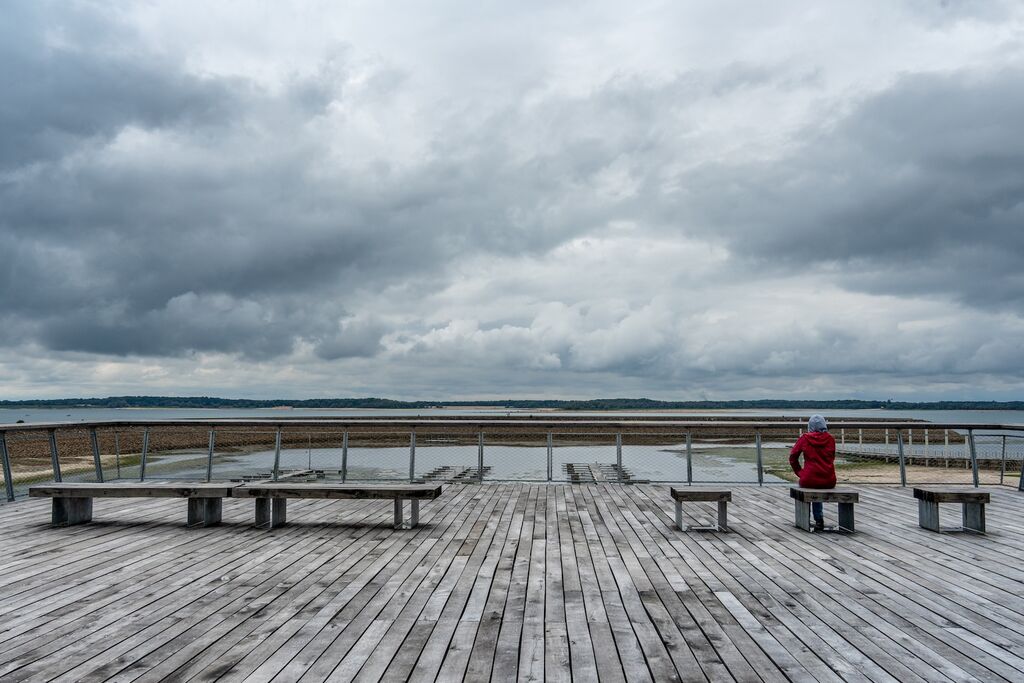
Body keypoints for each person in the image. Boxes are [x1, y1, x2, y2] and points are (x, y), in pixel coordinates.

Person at [789, 414, 836, 531]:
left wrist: (800, 473)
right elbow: (831, 457)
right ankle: (819, 519)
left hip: (809, 478)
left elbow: (793, 457)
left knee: (810, 486)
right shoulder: (830, 439)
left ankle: (806, 519)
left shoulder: (805, 438)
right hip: (828, 479)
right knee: (817, 486)